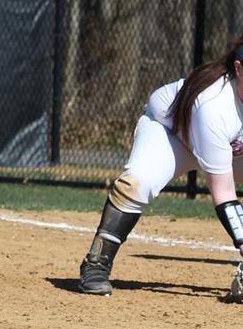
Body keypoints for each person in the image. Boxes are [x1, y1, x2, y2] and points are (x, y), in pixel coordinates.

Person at [76, 34, 243, 301]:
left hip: (231, 150)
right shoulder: (215, 104)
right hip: (171, 136)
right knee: (137, 182)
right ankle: (96, 264)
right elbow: (223, 193)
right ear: (238, 68)